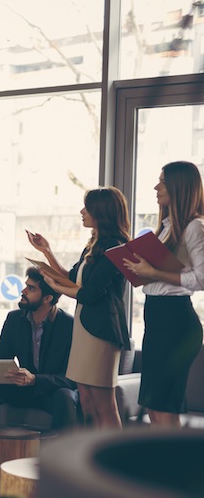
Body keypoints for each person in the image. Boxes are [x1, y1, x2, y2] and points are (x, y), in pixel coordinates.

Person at [27, 186, 132, 429]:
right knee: (85, 397)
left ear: (101, 211)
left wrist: (56, 286)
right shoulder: (94, 245)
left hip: (102, 331)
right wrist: (46, 251)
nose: (82, 211)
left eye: (87, 207)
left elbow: (89, 293)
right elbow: (72, 278)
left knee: (104, 402)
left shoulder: (115, 246)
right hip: (85, 328)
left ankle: (114, 461)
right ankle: (93, 453)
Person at [123, 161, 204, 427]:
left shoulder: (194, 227)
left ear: (180, 187)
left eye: (163, 182)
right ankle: (164, 466)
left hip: (176, 322)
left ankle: (175, 468)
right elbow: (161, 277)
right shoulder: (167, 227)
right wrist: (141, 272)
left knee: (164, 408)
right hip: (157, 319)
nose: (156, 187)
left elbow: (201, 279)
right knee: (154, 409)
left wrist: (154, 273)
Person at [0, 267, 79, 430]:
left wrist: (35, 379)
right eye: (26, 285)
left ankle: (58, 453)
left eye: (31, 288)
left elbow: (71, 379)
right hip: (21, 389)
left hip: (49, 392)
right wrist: (8, 373)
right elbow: (0, 359)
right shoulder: (14, 319)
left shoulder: (68, 325)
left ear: (47, 298)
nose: (23, 291)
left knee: (65, 395)